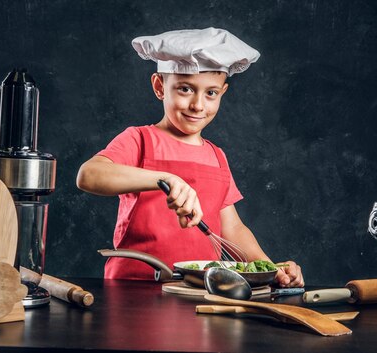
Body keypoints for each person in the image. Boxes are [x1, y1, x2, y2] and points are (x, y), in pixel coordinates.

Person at [77, 27, 304, 287]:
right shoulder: (140, 139)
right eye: (185, 89)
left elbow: (232, 229)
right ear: (160, 86)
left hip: (199, 291)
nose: (198, 105)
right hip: (134, 288)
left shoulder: (217, 156)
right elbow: (89, 175)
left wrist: (270, 268)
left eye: (211, 93)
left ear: (223, 93)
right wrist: (165, 179)